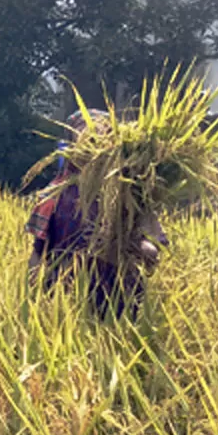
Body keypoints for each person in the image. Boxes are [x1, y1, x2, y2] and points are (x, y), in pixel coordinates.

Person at [27, 110, 167, 319]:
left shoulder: (130, 194)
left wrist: (139, 247)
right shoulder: (53, 195)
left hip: (122, 304)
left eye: (101, 140)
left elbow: (155, 248)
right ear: (72, 146)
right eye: (86, 140)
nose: (92, 150)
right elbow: (37, 255)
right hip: (67, 306)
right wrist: (37, 306)